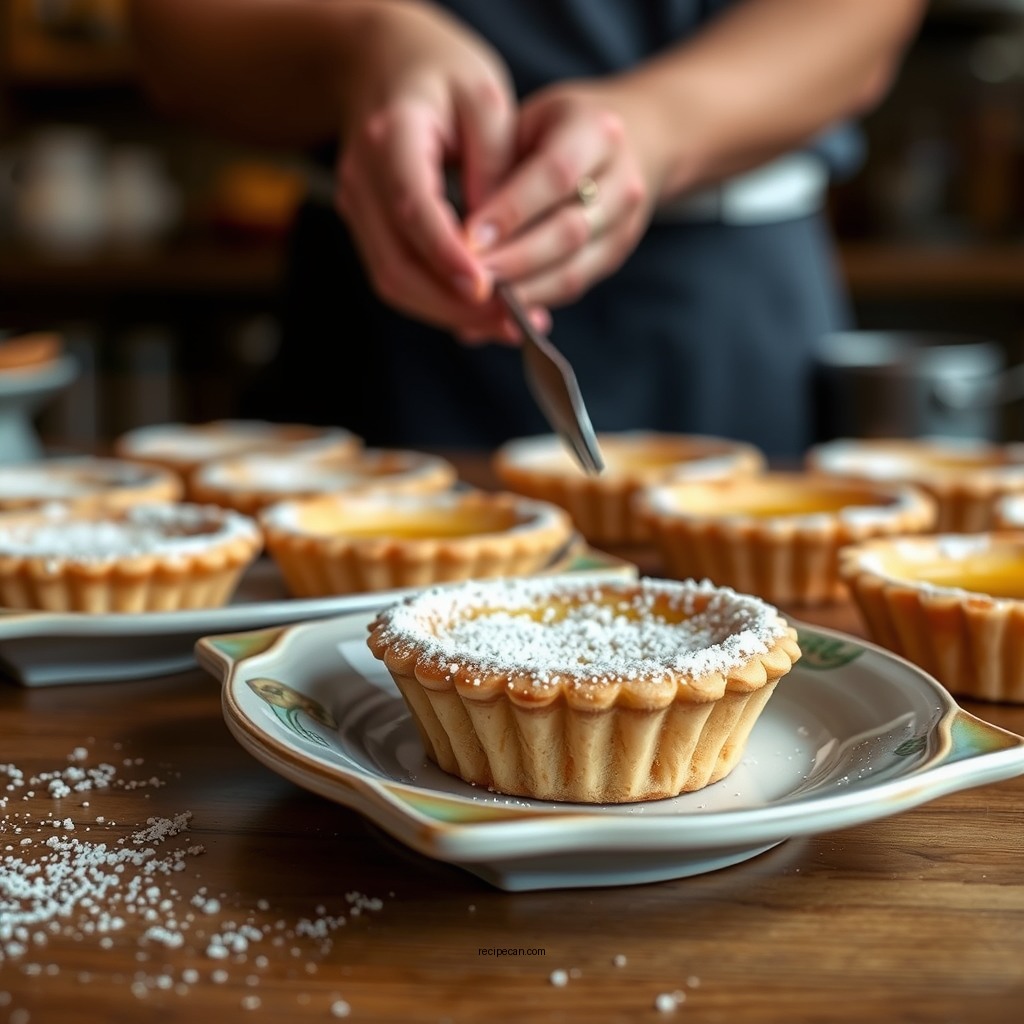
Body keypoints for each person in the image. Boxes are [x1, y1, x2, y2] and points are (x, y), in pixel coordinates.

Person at [128, 0, 927, 459]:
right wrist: (363, 36)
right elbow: (175, 36)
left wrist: (663, 123)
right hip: (375, 310)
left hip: (732, 319)